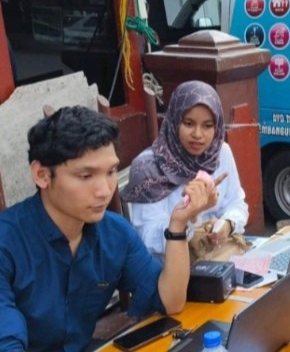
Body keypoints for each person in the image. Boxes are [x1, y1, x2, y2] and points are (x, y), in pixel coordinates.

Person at [0, 106, 208, 351]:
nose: (105, 190)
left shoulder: (115, 233)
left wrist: (178, 225)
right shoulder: (7, 242)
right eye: (86, 176)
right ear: (42, 175)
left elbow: (169, 301)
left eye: (110, 172)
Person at [122, 80, 249, 261]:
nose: (198, 134)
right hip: (172, 270)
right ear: (174, 121)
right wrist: (190, 215)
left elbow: (237, 204)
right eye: (189, 123)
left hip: (217, 258)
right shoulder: (148, 168)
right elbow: (146, 238)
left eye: (207, 126)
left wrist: (226, 225)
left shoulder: (220, 153)